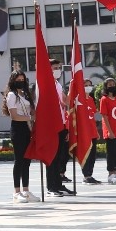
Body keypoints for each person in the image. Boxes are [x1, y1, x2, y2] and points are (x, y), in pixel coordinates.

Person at [5, 70, 35, 200]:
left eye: (23, 80)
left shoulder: (25, 95)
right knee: (19, 160)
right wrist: (30, 117)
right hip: (17, 129)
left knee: (27, 161)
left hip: (27, 129)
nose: (21, 82)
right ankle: (17, 192)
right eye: (18, 80)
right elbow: (14, 116)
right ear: (13, 81)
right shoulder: (12, 95)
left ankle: (26, 190)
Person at [46, 59, 72, 195]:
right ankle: (51, 186)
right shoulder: (44, 83)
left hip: (61, 124)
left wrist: (73, 87)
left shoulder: (58, 84)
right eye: (54, 68)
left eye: (58, 68)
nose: (57, 70)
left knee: (60, 156)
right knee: (52, 157)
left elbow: (66, 102)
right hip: (51, 125)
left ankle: (59, 184)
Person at [100, 82, 116, 179]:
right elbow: (104, 116)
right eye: (109, 85)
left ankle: (115, 170)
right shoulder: (104, 99)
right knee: (111, 152)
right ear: (106, 87)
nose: (112, 86)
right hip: (110, 130)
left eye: (113, 84)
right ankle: (111, 172)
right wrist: (109, 131)